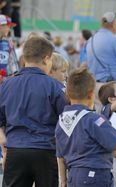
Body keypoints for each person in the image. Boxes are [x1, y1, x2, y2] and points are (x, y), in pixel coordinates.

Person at [0, 36, 67, 187]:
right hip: (45, 151)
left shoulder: (7, 85)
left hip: (15, 150)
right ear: (46, 58)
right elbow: (66, 123)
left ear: (24, 57)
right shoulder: (55, 87)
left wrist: (4, 149)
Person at [86, 11, 116, 112]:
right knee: (115, 118)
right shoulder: (115, 40)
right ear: (113, 24)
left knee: (100, 116)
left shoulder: (91, 39)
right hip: (112, 88)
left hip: (95, 85)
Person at [0, 14, 19, 84]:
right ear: (0, 26)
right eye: (7, 26)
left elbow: (14, 67)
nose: (9, 29)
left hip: (4, 85)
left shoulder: (9, 44)